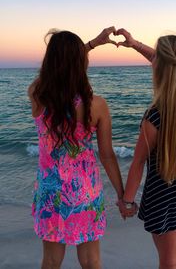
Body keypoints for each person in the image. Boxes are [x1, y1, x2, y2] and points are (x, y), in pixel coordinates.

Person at [28, 27, 124, 269]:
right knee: (91, 261)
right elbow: (107, 155)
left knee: (50, 261)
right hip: (85, 193)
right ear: (81, 62)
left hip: (50, 193)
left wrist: (90, 44)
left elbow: (51, 73)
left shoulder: (38, 96)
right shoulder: (97, 106)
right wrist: (123, 196)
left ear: (50, 61)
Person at [116, 29, 176, 269]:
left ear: (164, 67)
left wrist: (127, 202)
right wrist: (135, 45)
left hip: (163, 191)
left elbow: (138, 162)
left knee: (169, 261)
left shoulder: (154, 117)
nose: (152, 61)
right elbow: (168, 62)